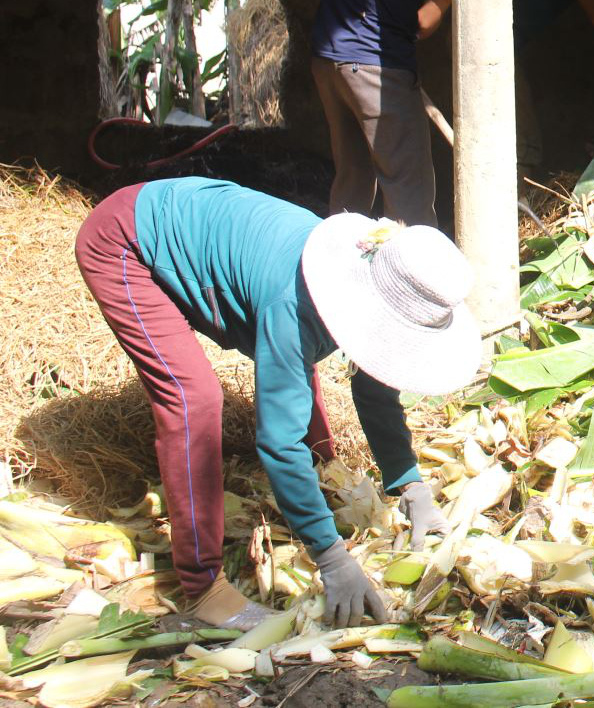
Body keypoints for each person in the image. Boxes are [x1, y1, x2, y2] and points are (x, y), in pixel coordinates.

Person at [75, 178, 482, 628]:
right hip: (126, 241)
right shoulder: (296, 302)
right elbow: (278, 441)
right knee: (195, 399)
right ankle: (200, 586)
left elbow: (374, 384)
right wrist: (331, 558)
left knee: (295, 363)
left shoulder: (369, 280)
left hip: (201, 225)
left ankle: (317, 478)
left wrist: (409, 485)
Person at [300, 0, 521, 225]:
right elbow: (424, 20)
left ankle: (335, 265)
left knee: (352, 180)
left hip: (327, 57)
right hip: (377, 66)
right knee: (409, 196)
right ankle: (414, 278)